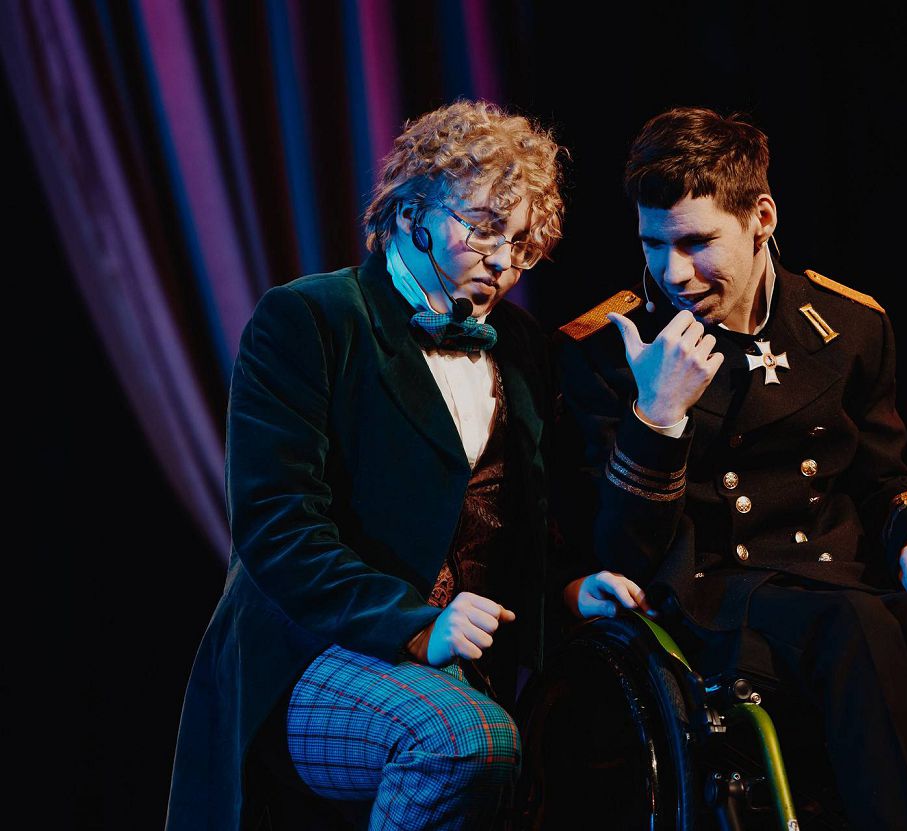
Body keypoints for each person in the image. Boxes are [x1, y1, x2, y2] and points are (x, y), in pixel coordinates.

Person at [166, 100, 643, 831]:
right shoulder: (313, 318)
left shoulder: (520, 345)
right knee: (461, 738)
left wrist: (571, 588)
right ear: (413, 210)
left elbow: (513, 527)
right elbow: (278, 528)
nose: (503, 262)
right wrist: (414, 625)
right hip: (311, 653)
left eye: (521, 243)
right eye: (483, 228)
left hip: (462, 669)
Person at [556, 107, 907, 829]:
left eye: (697, 242)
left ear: (761, 218)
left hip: (834, 580)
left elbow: (886, 478)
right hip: (714, 596)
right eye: (653, 244)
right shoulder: (610, 348)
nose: (673, 272)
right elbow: (622, 551)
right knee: (857, 624)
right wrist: (658, 414)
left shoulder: (849, 325)